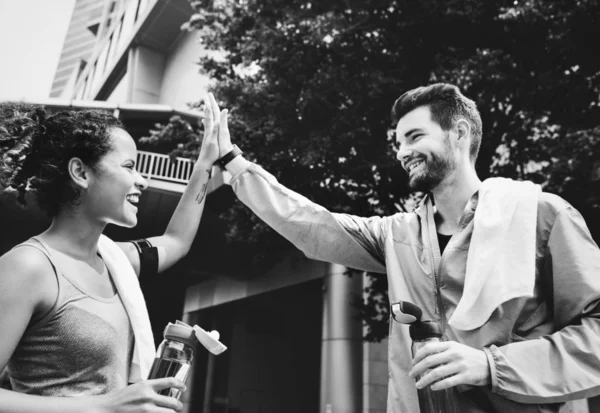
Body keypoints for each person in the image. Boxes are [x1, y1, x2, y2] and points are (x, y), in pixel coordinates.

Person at [207, 84, 600, 413]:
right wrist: (234, 164)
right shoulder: (397, 235)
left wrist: (489, 364)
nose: (401, 152)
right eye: (398, 142)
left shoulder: (542, 215)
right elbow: (313, 225)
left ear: (459, 133)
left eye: (415, 137)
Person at [0, 94, 225, 413]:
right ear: (81, 172)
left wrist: (205, 162)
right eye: (130, 167)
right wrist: (106, 406)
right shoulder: (28, 266)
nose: (142, 181)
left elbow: (176, 241)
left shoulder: (116, 262)